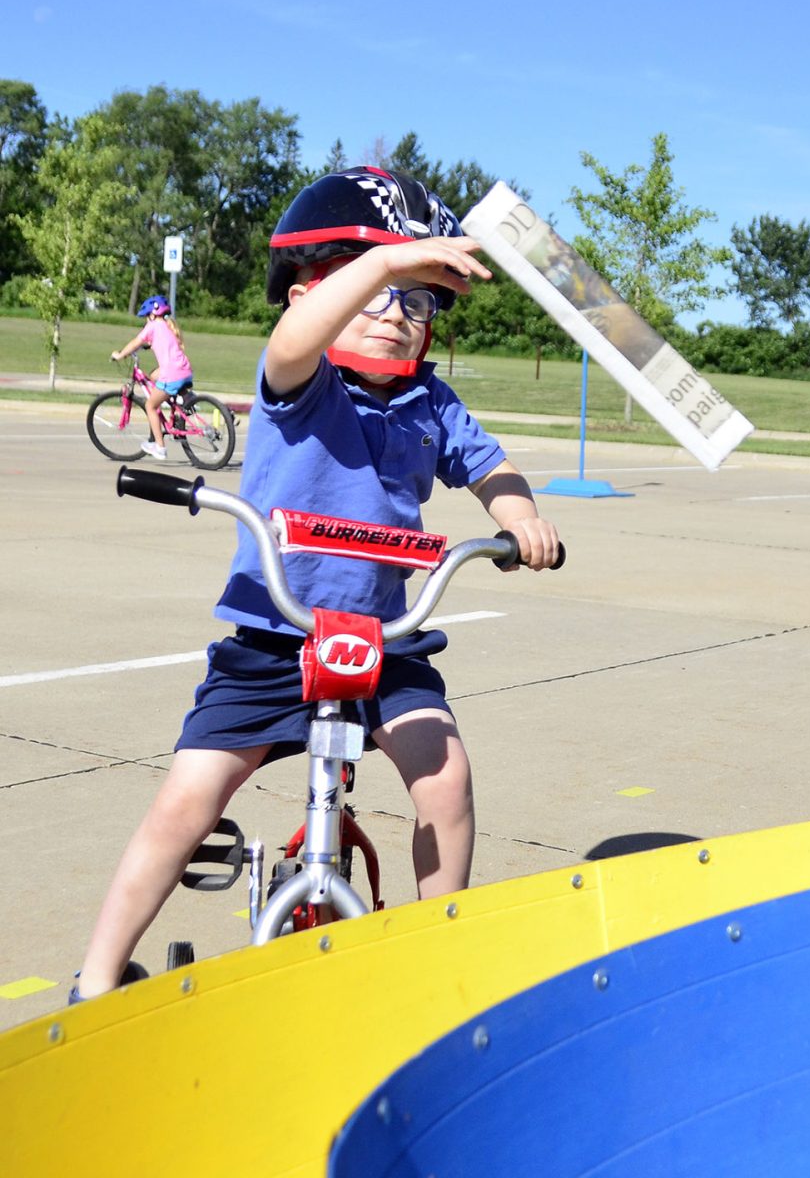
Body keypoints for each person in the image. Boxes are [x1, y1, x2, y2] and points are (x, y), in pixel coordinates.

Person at [74, 167, 561, 999]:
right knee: (189, 799)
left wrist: (520, 516)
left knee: (446, 781)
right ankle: (96, 977)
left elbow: (491, 467)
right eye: (375, 294)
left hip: (385, 641)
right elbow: (296, 342)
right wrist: (389, 262)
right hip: (274, 634)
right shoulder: (301, 387)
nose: (398, 316)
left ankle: (436, 969)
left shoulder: (431, 404)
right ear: (309, 295)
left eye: (418, 303)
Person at [110, 295, 194, 460]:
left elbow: (136, 342)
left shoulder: (153, 326)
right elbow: (159, 342)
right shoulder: (168, 326)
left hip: (172, 375)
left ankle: (160, 447)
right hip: (185, 371)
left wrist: (120, 355)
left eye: (147, 316)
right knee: (154, 375)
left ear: (153, 315)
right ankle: (182, 404)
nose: (147, 320)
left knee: (150, 405)